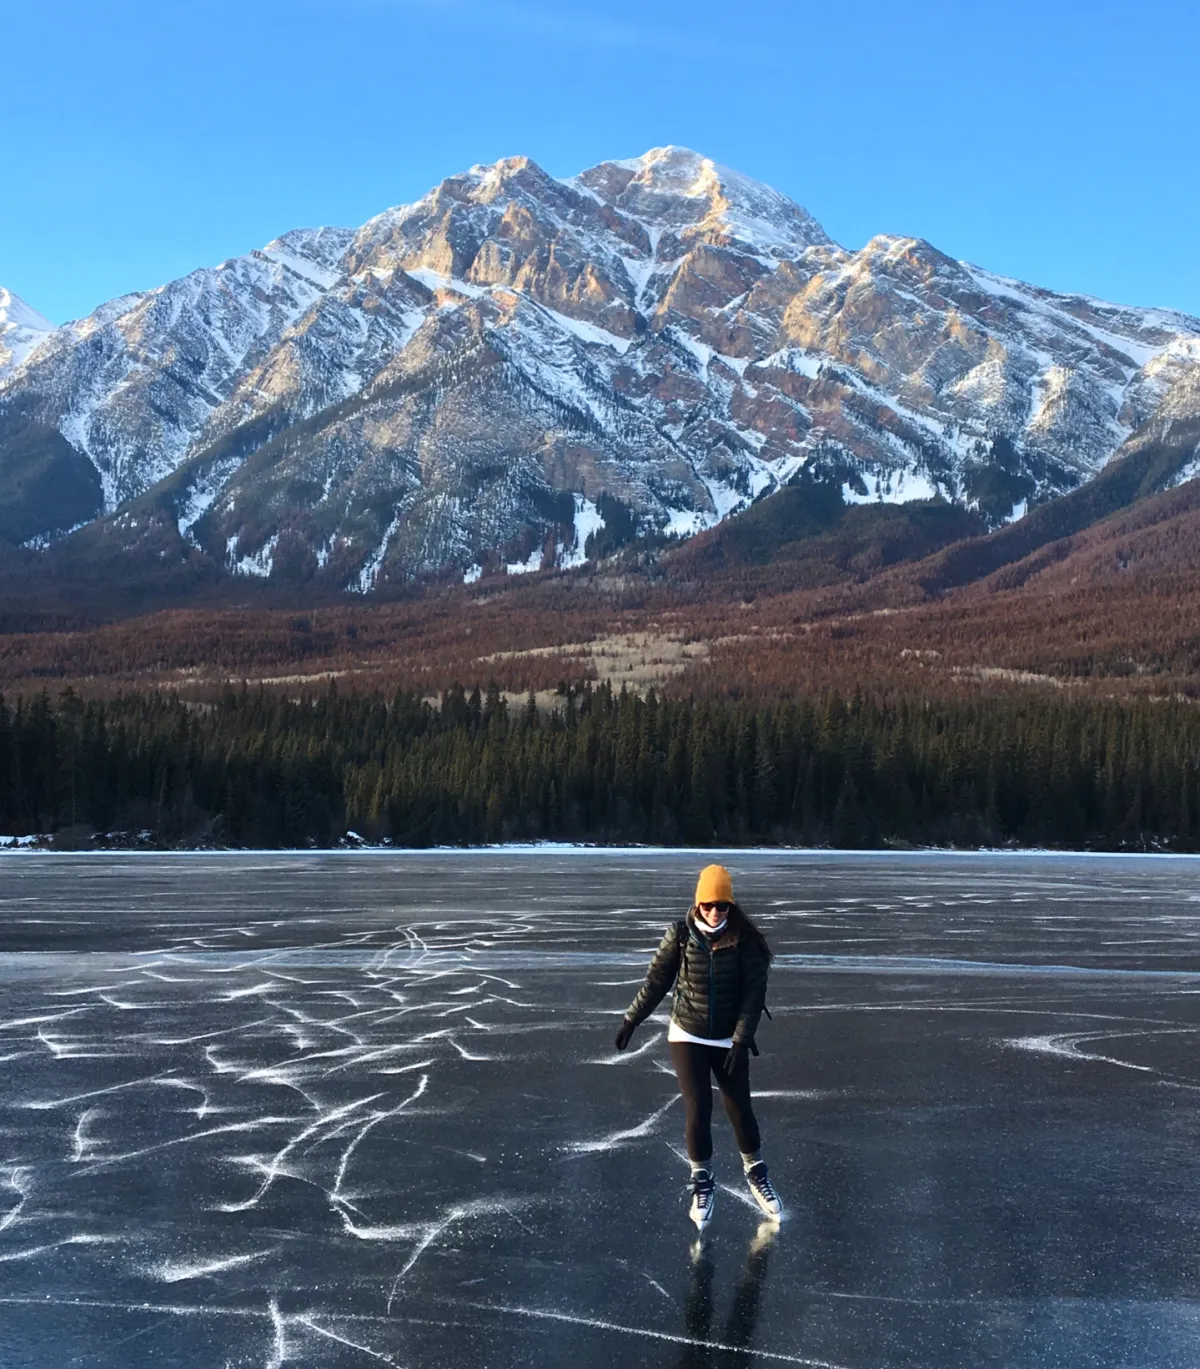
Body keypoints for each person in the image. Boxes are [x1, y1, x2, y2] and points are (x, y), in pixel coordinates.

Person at [614, 863, 781, 1231]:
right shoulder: (680, 935)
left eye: (722, 906)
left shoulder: (747, 941)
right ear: (698, 903)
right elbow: (657, 981)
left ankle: (756, 1172)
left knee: (739, 1109)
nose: (715, 912)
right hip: (687, 1032)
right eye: (708, 905)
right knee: (698, 1109)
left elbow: (754, 997)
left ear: (730, 907)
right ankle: (702, 1181)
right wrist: (631, 1019)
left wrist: (740, 1039)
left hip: (727, 1036)